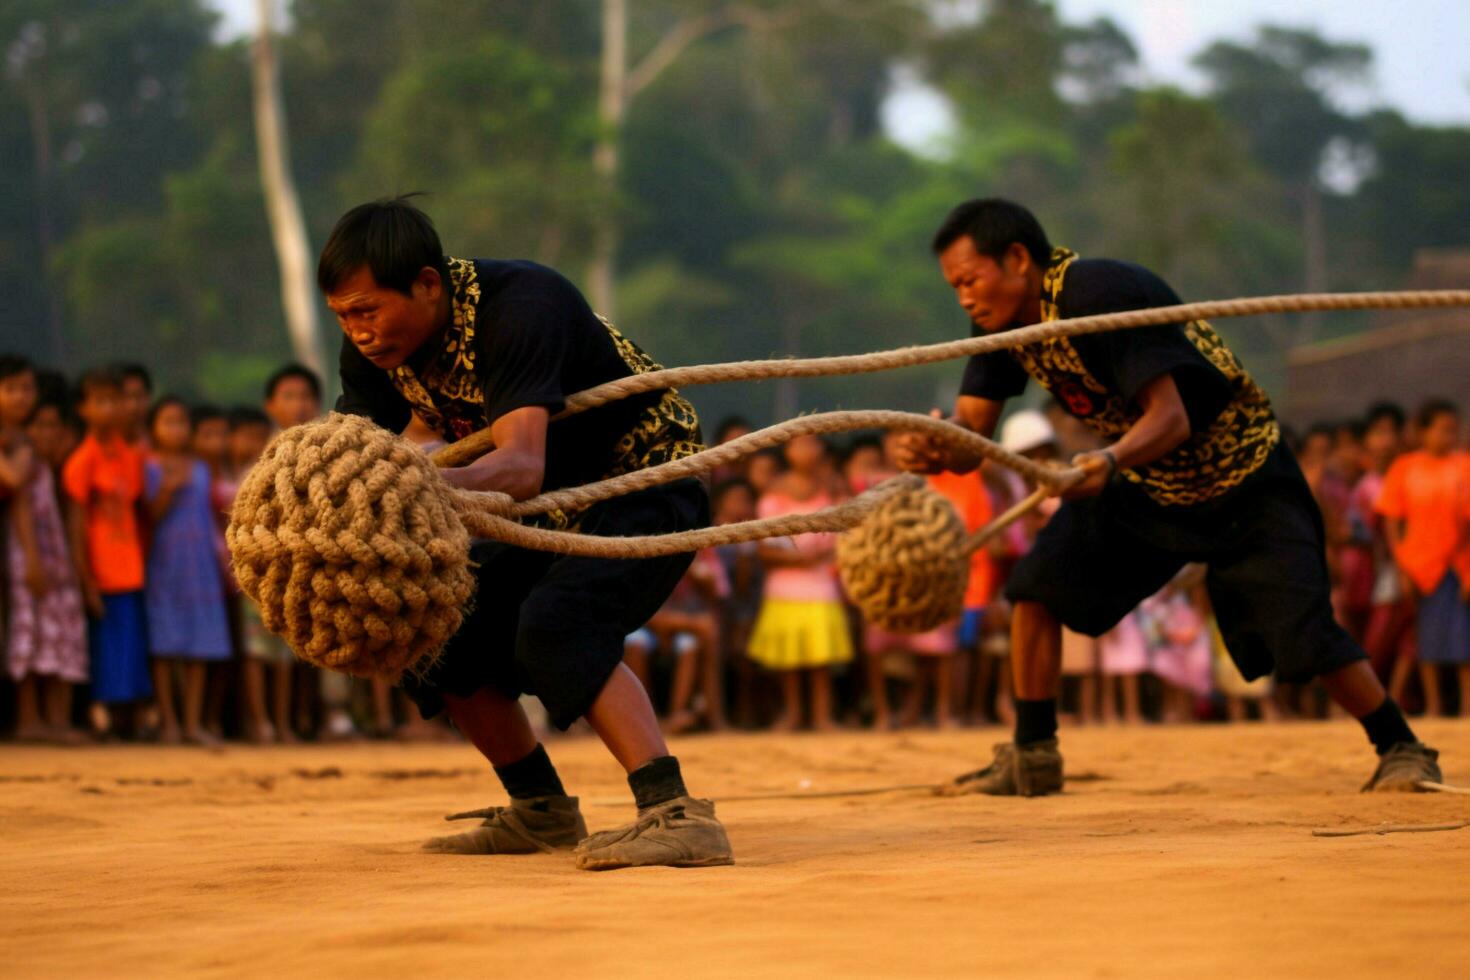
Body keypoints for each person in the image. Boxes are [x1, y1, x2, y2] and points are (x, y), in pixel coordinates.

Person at [895, 198, 1440, 795]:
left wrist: (1107, 459)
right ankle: (1032, 753)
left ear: (1018, 259)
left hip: (1243, 479)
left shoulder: (1098, 292)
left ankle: (1402, 747)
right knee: (1036, 589)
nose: (964, 299)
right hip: (1151, 484)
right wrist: (940, 448)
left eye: (969, 281)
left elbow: (1172, 417)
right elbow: (973, 433)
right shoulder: (1001, 325)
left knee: (1302, 632)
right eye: (955, 288)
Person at [324, 196, 731, 869]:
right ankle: (541, 812)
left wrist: (412, 488)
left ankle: (676, 814)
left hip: (646, 481)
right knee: (435, 636)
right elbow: (352, 451)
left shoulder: (521, 305)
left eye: (367, 312)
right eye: (343, 316)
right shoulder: (374, 349)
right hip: (546, 506)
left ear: (427, 283)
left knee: (557, 624)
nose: (358, 332)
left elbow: (518, 466)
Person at [1, 357, 88, 742]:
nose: (22, 396)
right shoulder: (18, 445)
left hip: (52, 550)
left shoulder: (27, 442)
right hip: (27, 551)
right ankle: (28, 721)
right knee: (29, 632)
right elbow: (17, 493)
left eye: (27, 389)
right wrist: (32, 560)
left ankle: (57, 722)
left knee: (61, 630)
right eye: (12, 388)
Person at [62, 368, 151, 737]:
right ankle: (108, 720)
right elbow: (76, 525)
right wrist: (86, 580)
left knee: (131, 650)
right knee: (108, 652)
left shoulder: (128, 457)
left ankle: (130, 720)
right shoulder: (82, 460)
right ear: (83, 409)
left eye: (115, 400)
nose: (111, 408)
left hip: (131, 569)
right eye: (101, 401)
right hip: (102, 573)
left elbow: (136, 507)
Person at [746, 434, 854, 732]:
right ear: (788, 450)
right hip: (785, 583)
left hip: (821, 582)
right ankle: (793, 713)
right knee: (788, 658)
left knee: (822, 658)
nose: (807, 450)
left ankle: (823, 716)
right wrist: (802, 560)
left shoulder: (833, 485)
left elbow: (850, 531)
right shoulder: (775, 489)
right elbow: (764, 547)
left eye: (813, 443)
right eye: (799, 444)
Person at [143, 397, 233, 745]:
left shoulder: (200, 468)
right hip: (164, 567)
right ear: (153, 428)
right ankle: (170, 722)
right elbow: (151, 516)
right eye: (167, 422)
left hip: (200, 568)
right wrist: (167, 487)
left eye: (181, 422)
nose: (175, 429)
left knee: (200, 647)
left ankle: (194, 723)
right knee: (165, 647)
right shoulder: (150, 466)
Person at [1375, 399, 1470, 717]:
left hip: (1458, 563)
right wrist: (1402, 563)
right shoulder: (1405, 468)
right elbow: (1392, 519)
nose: (1449, 436)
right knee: (1426, 638)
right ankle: (1434, 705)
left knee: (1463, 637)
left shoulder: (1464, 465)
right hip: (1418, 565)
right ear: (1423, 431)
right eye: (1442, 430)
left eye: (1453, 430)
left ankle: (1467, 706)